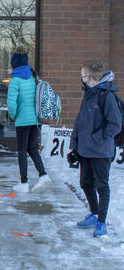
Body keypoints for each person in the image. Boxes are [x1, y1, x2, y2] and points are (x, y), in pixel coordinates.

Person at [69, 60, 122, 238]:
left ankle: (102, 223)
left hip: (100, 152)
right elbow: (80, 122)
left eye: (82, 74)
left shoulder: (106, 96)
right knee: (85, 183)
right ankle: (94, 213)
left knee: (102, 186)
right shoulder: (89, 95)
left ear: (89, 76)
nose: (81, 78)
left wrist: (95, 139)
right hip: (85, 150)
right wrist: (74, 144)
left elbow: (115, 124)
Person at [6, 46, 50, 193]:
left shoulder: (15, 80)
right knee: (32, 149)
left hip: (23, 121)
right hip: (36, 120)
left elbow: (12, 103)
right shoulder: (33, 77)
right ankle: (43, 174)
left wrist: (13, 116)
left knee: (22, 150)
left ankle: (24, 183)